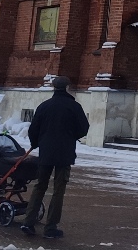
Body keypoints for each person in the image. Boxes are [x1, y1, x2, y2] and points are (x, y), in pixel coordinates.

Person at [19, 76, 90, 239]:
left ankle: (28, 222)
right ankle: (50, 227)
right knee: (59, 190)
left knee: (40, 186)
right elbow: (83, 128)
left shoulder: (44, 106)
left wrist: (37, 143)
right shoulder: (74, 106)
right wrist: (71, 136)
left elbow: (33, 129)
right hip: (65, 153)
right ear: (67, 88)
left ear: (54, 87)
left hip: (46, 152)